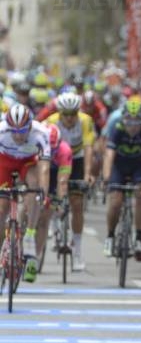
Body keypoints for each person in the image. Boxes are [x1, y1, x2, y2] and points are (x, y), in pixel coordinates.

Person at [43, 91, 96, 271]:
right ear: (60, 113)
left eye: (74, 113)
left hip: (77, 157)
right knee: (49, 196)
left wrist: (87, 174)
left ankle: (78, 251)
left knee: (76, 203)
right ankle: (54, 222)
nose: (70, 118)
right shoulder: (50, 122)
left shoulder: (85, 121)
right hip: (55, 158)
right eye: (66, 114)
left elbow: (89, 148)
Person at [101, 99, 141, 260]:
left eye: (137, 121)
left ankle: (139, 238)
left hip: (138, 167)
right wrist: (106, 177)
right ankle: (110, 237)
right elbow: (109, 155)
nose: (133, 126)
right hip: (118, 166)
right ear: (123, 119)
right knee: (116, 201)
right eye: (129, 121)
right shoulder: (116, 128)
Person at [0, 104, 51, 282]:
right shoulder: (1, 131)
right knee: (1, 209)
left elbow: (44, 167)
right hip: (4, 162)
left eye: (22, 130)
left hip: (27, 163)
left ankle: (29, 233)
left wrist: (42, 192)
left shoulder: (41, 133)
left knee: (34, 186)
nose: (18, 135)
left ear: (30, 125)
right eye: (14, 131)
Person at [36, 123, 73, 262]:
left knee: (45, 215)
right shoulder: (33, 144)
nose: (50, 152)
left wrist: (58, 201)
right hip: (37, 170)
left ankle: (37, 255)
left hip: (55, 174)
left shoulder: (65, 150)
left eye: (53, 149)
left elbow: (62, 181)